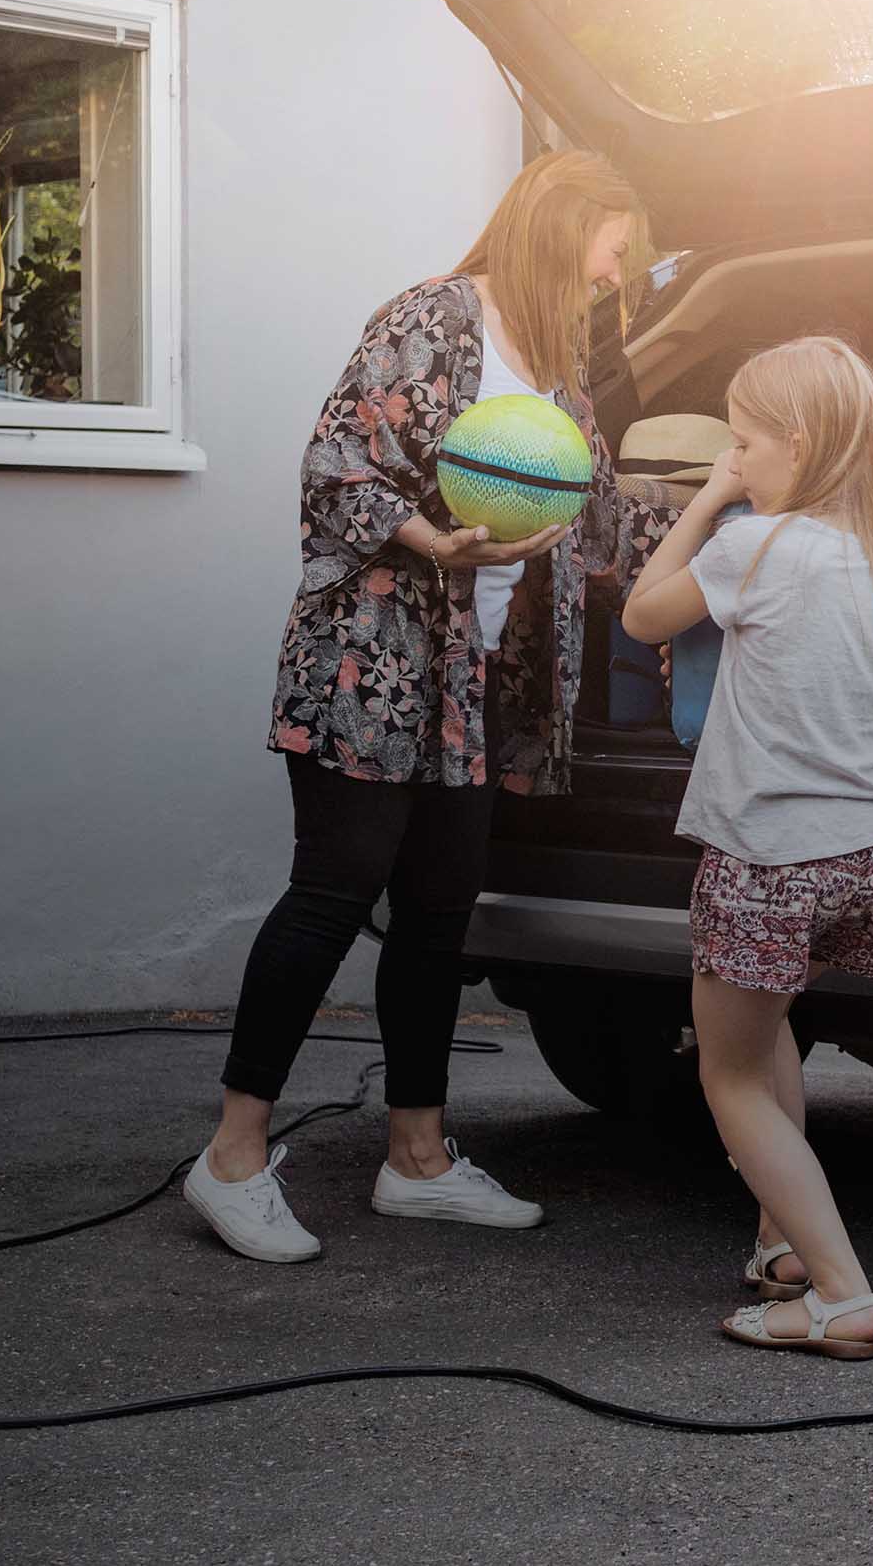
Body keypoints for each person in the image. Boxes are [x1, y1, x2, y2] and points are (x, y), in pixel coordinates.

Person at [181, 148, 669, 1266]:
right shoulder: (434, 317)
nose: (612, 281)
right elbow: (338, 463)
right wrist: (433, 539)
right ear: (561, 232)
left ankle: (417, 1160)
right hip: (370, 665)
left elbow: (594, 523)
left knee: (441, 915)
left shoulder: (555, 372)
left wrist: (742, 509)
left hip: (470, 680)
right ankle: (231, 1157)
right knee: (330, 896)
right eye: (609, 258)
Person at [618, 335, 873, 1361]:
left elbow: (640, 612)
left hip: (769, 851)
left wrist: (707, 499)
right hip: (865, 845)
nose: (737, 459)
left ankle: (842, 1293)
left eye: (745, 443)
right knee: (769, 1042)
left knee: (729, 1074)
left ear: (796, 446)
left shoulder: (756, 545)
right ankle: (785, 1250)